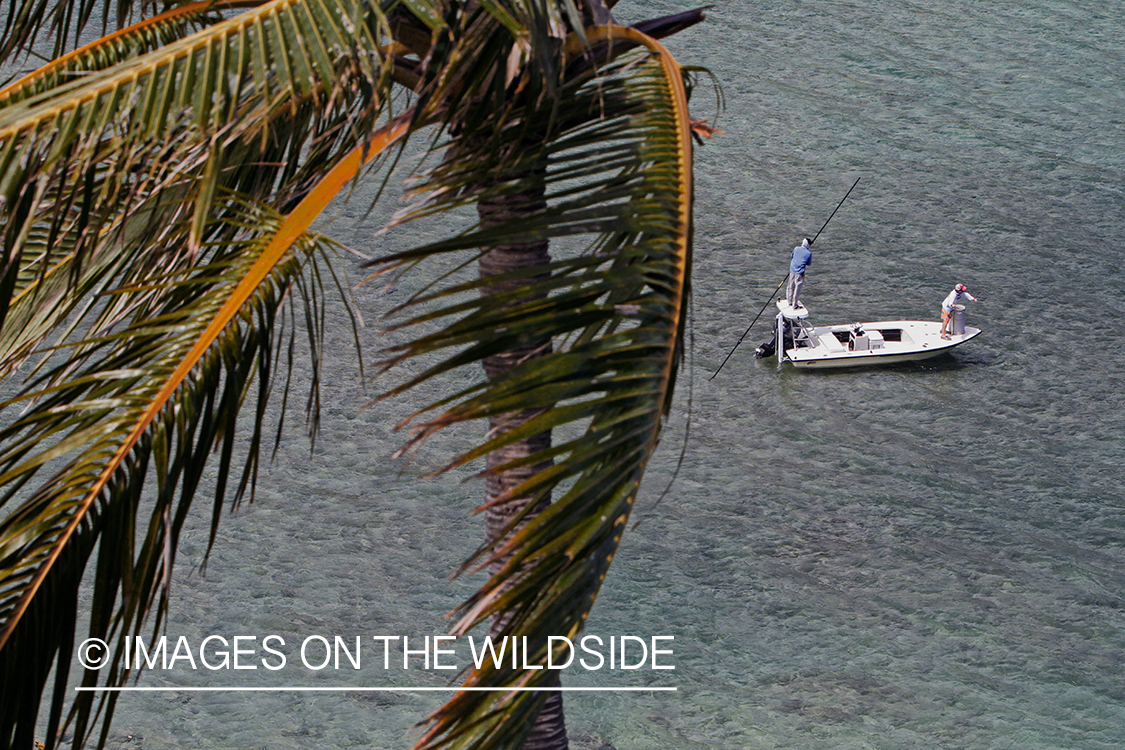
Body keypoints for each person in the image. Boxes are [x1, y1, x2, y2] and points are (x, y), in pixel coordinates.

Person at [786, 237, 812, 308]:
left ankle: (789, 301)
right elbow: (809, 263)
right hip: (800, 273)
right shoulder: (809, 253)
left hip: (792, 270)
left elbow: (792, 256)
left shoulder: (796, 248)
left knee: (790, 286)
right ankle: (794, 305)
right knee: (797, 289)